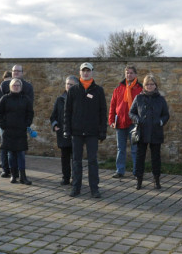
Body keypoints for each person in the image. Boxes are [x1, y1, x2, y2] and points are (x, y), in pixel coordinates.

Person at [64, 62, 107, 198]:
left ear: (92, 72)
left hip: (92, 132)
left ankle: (94, 188)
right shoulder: (73, 90)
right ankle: (76, 187)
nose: (86, 73)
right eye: (84, 70)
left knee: (92, 161)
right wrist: (67, 129)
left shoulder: (98, 90)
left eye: (88, 70)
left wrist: (102, 130)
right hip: (76, 131)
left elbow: (102, 112)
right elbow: (67, 112)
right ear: (80, 72)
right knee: (76, 160)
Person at [129, 74, 170, 190]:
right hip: (142, 131)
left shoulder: (160, 99)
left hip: (156, 131)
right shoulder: (139, 98)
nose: (150, 86)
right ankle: (139, 180)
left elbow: (166, 114)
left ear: (155, 85)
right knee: (140, 156)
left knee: (156, 157)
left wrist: (161, 121)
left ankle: (156, 180)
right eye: (147, 84)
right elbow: (131, 112)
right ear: (144, 85)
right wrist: (137, 119)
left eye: (152, 84)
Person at [0, 78, 34, 185]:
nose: (16, 87)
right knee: (11, 155)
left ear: (21, 87)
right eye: (14, 85)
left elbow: (30, 113)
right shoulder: (5, 99)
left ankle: (23, 176)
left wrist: (27, 124)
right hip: (8, 131)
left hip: (20, 131)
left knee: (21, 154)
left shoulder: (26, 99)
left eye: (18, 85)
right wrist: (3, 125)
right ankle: (13, 175)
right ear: (10, 87)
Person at [109, 65, 142, 179]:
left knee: (135, 149)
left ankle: (136, 172)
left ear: (136, 74)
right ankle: (120, 170)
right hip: (120, 123)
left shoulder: (140, 89)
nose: (129, 75)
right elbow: (113, 106)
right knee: (120, 148)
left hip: (134, 124)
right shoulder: (118, 89)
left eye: (131, 73)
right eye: (127, 73)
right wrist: (111, 120)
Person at [50, 75, 79, 185]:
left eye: (71, 84)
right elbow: (53, 116)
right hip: (62, 133)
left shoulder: (80, 99)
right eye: (67, 84)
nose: (69, 86)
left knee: (76, 158)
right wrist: (55, 125)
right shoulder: (59, 99)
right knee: (65, 157)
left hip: (76, 133)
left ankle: (75, 178)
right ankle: (65, 177)